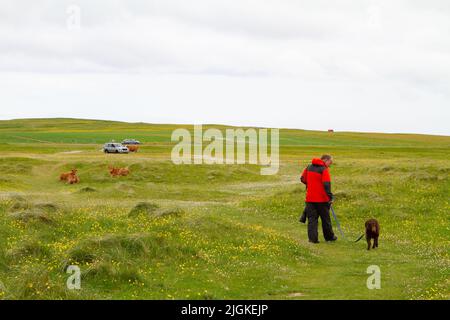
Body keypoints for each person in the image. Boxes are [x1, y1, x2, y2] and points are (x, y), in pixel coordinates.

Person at [299, 155, 337, 243]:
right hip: (322, 199)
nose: (329, 165)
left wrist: (311, 185)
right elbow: (326, 184)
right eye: (329, 163)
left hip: (310, 199)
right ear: (325, 160)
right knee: (326, 219)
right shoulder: (323, 169)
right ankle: (329, 237)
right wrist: (330, 197)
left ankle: (313, 239)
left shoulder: (308, 167)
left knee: (312, 219)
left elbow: (302, 179)